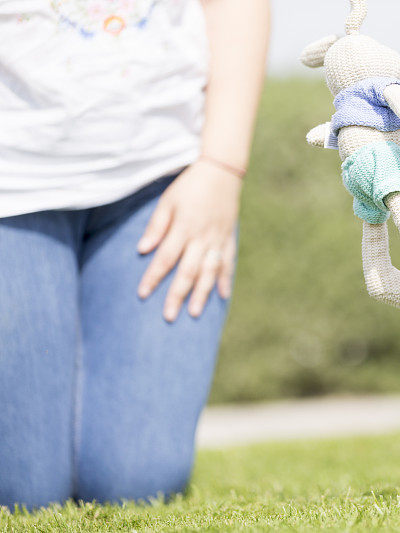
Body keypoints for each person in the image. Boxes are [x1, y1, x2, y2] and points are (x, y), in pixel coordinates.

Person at [0, 0, 269, 509]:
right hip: (9, 189)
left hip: (166, 181)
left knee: (137, 486)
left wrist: (221, 167)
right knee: (21, 494)